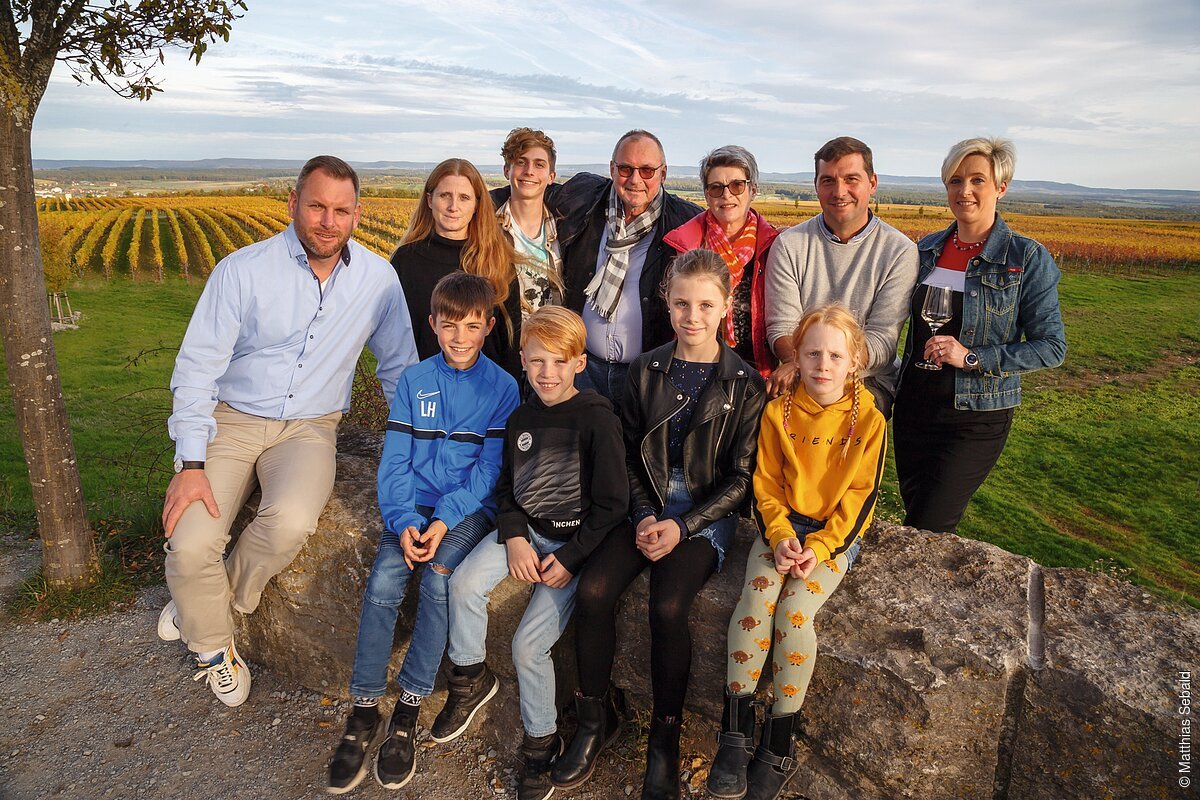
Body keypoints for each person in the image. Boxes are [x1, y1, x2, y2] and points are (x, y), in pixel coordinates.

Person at [158, 155, 416, 708]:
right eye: (317, 206)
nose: (328, 220)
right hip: (232, 417)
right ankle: (213, 647)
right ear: (293, 203)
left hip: (310, 428)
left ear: (356, 214)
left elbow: (398, 370)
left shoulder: (377, 280)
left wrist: (411, 446)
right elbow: (197, 366)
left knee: (292, 522)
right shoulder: (242, 270)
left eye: (341, 210)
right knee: (189, 541)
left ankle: (212, 599)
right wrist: (191, 464)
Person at [553, 249, 767, 800]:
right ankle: (596, 718)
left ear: (726, 307)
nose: (691, 316)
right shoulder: (645, 369)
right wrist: (645, 513)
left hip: (702, 513)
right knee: (595, 590)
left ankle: (665, 743)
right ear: (667, 305)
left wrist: (685, 525)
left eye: (704, 305)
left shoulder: (743, 383)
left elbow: (741, 480)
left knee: (669, 605)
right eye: (680, 304)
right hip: (643, 501)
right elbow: (625, 452)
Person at [326, 273, 519, 794]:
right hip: (411, 508)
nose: (460, 336)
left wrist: (439, 523)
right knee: (386, 580)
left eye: (472, 326)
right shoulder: (414, 382)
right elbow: (394, 463)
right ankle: (364, 710)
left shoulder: (502, 387)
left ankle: (408, 711)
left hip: (463, 513)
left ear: (488, 327)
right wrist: (407, 520)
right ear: (432, 323)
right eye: (449, 324)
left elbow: (487, 474)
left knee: (436, 581)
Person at [432, 306, 629, 800]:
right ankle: (470, 677)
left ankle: (540, 745)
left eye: (559, 363)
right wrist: (514, 535)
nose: (547, 373)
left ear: (579, 364)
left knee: (528, 646)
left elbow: (613, 505)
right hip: (526, 537)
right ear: (523, 360)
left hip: (571, 552)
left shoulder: (596, 420)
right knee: (463, 582)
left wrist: (570, 560)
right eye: (538, 361)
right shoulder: (520, 418)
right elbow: (506, 490)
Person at [710, 305, 886, 800]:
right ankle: (735, 728)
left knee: (793, 613)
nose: (822, 364)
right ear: (797, 357)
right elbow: (765, 483)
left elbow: (861, 496)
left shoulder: (869, 421)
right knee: (756, 600)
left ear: (854, 360)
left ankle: (781, 735)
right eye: (813, 353)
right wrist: (781, 534)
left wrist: (824, 546)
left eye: (835, 354)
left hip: (831, 537)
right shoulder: (777, 412)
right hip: (781, 529)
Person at [892, 137, 1066, 534]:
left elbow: (1052, 347)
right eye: (955, 181)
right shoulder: (925, 251)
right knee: (916, 520)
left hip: (975, 417)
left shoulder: (1026, 259)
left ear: (1001, 187)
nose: (964, 191)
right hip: (913, 408)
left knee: (928, 526)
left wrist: (972, 357)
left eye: (977, 180)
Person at [548, 129, 702, 413]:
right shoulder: (584, 198)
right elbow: (528, 193)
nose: (635, 180)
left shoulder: (685, 222)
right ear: (611, 169)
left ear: (663, 174)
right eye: (625, 169)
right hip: (582, 368)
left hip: (645, 374)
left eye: (646, 170)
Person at [764, 136, 919, 417]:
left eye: (851, 179)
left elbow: (882, 340)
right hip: (800, 373)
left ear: (872, 183)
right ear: (816, 186)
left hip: (866, 380)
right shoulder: (789, 245)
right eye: (828, 181)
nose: (839, 191)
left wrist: (827, 372)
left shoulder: (899, 251)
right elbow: (781, 327)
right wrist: (803, 367)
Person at [391, 158, 525, 379]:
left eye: (464, 198)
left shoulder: (495, 259)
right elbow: (394, 337)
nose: (454, 207)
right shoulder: (405, 261)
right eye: (445, 195)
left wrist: (508, 398)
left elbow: (510, 338)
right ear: (429, 200)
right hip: (424, 390)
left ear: (476, 205)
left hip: (485, 392)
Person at [663, 145, 781, 378]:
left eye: (737, 186)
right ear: (707, 195)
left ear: (753, 190)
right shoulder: (685, 243)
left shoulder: (774, 246)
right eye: (716, 188)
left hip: (756, 371)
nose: (727, 195)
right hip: (695, 365)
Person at [493, 127, 565, 315]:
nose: (529, 171)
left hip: (551, 340)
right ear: (506, 170)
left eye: (539, 164)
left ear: (551, 177)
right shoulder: (488, 228)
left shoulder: (566, 229)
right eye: (520, 162)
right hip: (505, 339)